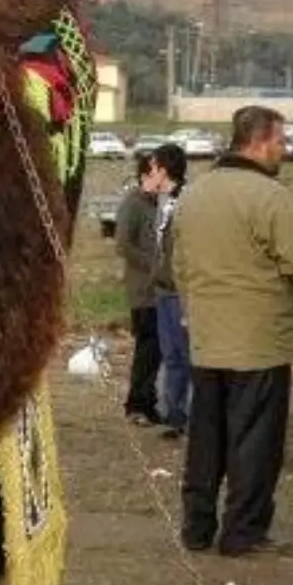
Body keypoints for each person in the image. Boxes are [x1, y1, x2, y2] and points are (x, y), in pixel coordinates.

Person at [173, 105, 293, 558]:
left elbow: (178, 265)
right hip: (259, 340)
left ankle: (197, 528)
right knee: (255, 441)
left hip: (207, 337)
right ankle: (243, 532)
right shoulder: (270, 197)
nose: (285, 149)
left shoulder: (195, 195)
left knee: (206, 439)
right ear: (258, 142)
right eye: (280, 141)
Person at [115, 153, 162, 425]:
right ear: (145, 174)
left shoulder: (160, 203)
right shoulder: (133, 203)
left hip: (161, 291)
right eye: (157, 172)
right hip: (143, 292)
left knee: (157, 350)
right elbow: (123, 245)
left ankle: (148, 401)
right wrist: (154, 264)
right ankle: (137, 405)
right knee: (147, 348)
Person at [151, 142, 191, 440]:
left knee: (186, 354)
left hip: (180, 292)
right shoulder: (161, 203)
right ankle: (174, 414)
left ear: (163, 171)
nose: (148, 173)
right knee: (172, 356)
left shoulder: (185, 203)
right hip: (163, 290)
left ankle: (192, 414)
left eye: (151, 168)